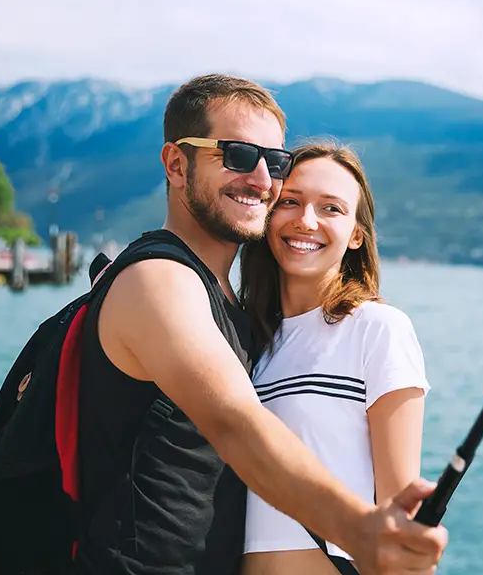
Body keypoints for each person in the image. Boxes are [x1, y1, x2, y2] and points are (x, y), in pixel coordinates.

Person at [74, 74, 448, 575]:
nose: (261, 179)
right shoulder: (160, 281)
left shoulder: (252, 325)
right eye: (237, 155)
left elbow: (402, 515)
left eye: (273, 163)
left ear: (357, 234)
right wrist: (359, 529)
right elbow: (237, 428)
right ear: (175, 165)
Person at [237, 141, 431, 575]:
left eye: (331, 209)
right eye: (290, 201)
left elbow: (401, 514)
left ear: (356, 234)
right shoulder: (245, 344)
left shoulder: (377, 329)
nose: (306, 221)